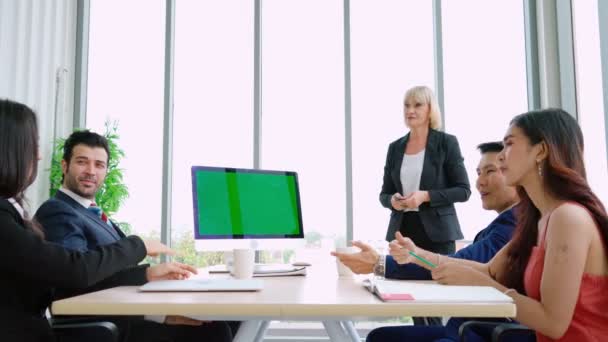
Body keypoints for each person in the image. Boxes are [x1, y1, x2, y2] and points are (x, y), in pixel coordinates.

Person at [393, 109, 608, 341]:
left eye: (509, 144)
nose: (502, 156)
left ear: (541, 151)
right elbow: (489, 271)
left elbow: (553, 323)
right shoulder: (539, 219)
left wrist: (485, 285)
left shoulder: (568, 218)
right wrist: (417, 255)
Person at [0, 99, 180, 342]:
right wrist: (139, 246)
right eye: (32, 147)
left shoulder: (16, 213)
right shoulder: (55, 212)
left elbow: (79, 273)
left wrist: (146, 274)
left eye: (99, 165)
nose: (40, 155)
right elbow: (75, 274)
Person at [35, 130, 233, 342]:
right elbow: (75, 282)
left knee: (225, 320)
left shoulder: (91, 212)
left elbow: (107, 271)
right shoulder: (58, 211)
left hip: (122, 315)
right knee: (214, 330)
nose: (91, 171)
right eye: (82, 162)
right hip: (108, 326)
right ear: (65, 166)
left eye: (99, 165)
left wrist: (151, 277)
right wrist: (155, 310)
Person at [334, 141, 524, 341]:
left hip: (477, 332)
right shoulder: (505, 222)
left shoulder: (512, 223)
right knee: (379, 337)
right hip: (468, 327)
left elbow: (460, 265)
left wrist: (380, 264)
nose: (479, 182)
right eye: (478, 173)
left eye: (491, 171)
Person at [380, 86, 470, 256]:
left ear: (430, 109)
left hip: (438, 235)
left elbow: (463, 191)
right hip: (401, 231)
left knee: (437, 280)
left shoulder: (446, 143)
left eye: (417, 105)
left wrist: (425, 196)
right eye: (406, 105)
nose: (410, 110)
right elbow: (384, 194)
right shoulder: (394, 148)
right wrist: (392, 200)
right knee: (399, 282)